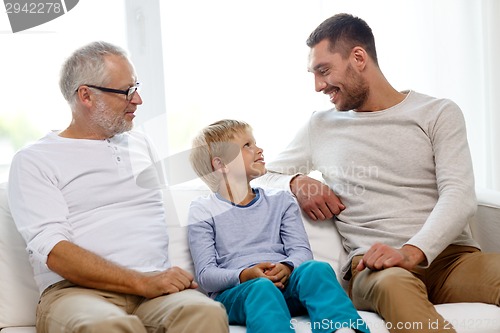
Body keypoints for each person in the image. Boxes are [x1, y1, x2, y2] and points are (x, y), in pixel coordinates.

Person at [254, 13, 500, 333]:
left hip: (451, 261)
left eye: (324, 71)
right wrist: (296, 181)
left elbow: (459, 195)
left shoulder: (438, 113)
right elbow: (259, 176)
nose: (318, 86)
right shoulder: (321, 126)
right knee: (394, 285)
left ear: (358, 58)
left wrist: (411, 252)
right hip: (375, 267)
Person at [7, 41, 228, 333]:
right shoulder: (34, 159)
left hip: (155, 289)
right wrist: (141, 281)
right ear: (86, 95)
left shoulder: (141, 143)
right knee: (108, 326)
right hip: (77, 293)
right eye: (126, 91)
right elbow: (55, 251)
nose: (137, 100)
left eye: (135, 87)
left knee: (206, 313)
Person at [187, 119, 370, 333]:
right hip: (240, 294)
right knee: (262, 288)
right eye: (247, 146)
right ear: (221, 165)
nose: (259, 149)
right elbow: (206, 275)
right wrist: (244, 275)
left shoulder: (281, 201)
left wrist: (287, 267)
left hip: (286, 284)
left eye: (255, 143)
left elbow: (301, 252)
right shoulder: (203, 210)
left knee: (317, 269)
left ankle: (343, 329)